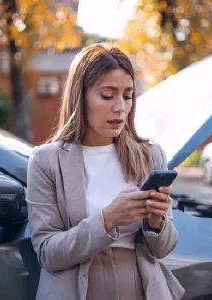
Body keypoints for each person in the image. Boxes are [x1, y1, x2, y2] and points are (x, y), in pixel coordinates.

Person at [26, 42, 185, 300]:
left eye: (128, 95)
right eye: (107, 95)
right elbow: (48, 253)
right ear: (81, 96)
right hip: (74, 290)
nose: (120, 107)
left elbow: (164, 248)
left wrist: (157, 222)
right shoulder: (46, 162)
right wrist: (107, 219)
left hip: (141, 288)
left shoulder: (150, 156)